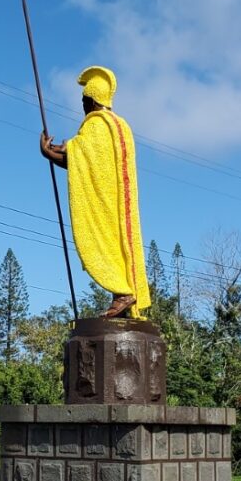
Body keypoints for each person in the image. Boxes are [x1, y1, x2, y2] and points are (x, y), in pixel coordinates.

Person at [39, 66, 152, 318]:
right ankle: (124, 293)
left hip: (105, 203)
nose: (83, 106)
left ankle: (123, 291)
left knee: (104, 242)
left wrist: (49, 152)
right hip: (119, 203)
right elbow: (85, 163)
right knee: (122, 245)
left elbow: (76, 158)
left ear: (91, 99)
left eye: (83, 100)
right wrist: (56, 152)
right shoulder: (121, 126)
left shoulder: (96, 125)